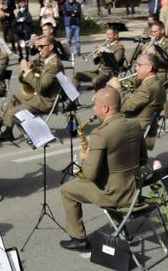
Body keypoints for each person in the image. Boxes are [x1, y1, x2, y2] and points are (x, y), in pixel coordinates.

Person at [58, 88, 146, 252]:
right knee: (99, 181)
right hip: (134, 191)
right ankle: (122, 231)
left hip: (114, 194)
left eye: (95, 106)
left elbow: (90, 175)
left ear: (105, 108)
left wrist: (85, 158)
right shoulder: (135, 124)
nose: (94, 110)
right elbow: (143, 160)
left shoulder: (101, 134)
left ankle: (78, 239)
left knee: (67, 190)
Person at [0, 36, 62, 136]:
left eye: (41, 47)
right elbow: (33, 73)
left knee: (12, 113)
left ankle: (32, 133)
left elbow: (41, 86)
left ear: (50, 47)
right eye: (38, 47)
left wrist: (27, 71)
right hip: (38, 97)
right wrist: (29, 68)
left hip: (45, 102)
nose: (39, 49)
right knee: (14, 99)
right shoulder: (47, 60)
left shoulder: (54, 65)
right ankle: (7, 131)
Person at [114, 50, 165, 149]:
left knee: (102, 133)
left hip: (137, 127)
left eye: (139, 65)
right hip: (140, 122)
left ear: (149, 68)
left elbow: (125, 106)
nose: (136, 68)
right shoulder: (154, 82)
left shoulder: (148, 87)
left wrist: (117, 88)